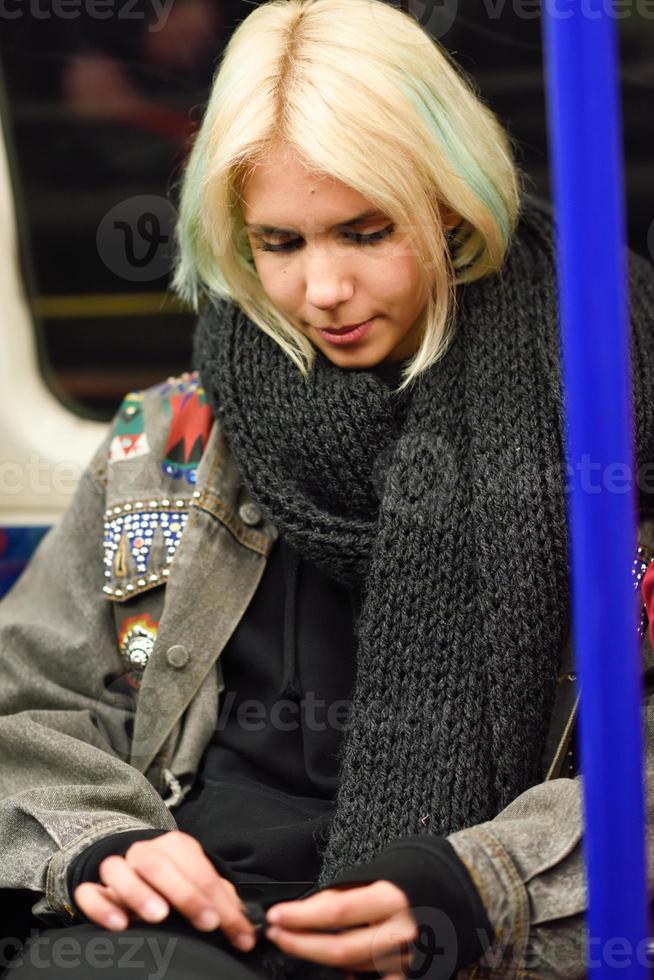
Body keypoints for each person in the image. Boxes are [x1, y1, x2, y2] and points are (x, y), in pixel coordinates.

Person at [2, 0, 654, 977]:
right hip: (194, 924)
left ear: (452, 204)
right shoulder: (170, 437)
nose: (324, 291)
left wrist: (479, 883)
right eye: (280, 242)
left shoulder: (606, 419)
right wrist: (106, 842)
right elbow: (31, 703)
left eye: (364, 229)